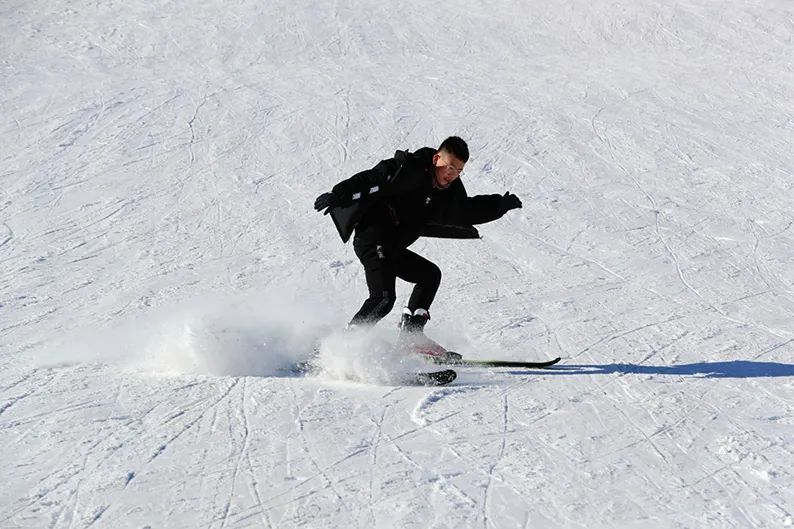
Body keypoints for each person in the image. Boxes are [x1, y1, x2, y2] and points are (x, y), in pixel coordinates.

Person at [314, 136, 522, 344]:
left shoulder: (448, 192)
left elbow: (465, 211)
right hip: (373, 240)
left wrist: (498, 206)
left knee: (430, 275)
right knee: (383, 299)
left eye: (459, 171)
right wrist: (338, 194)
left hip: (392, 247)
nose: (452, 176)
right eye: (450, 167)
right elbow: (373, 178)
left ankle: (410, 337)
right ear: (436, 159)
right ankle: (345, 345)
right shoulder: (408, 169)